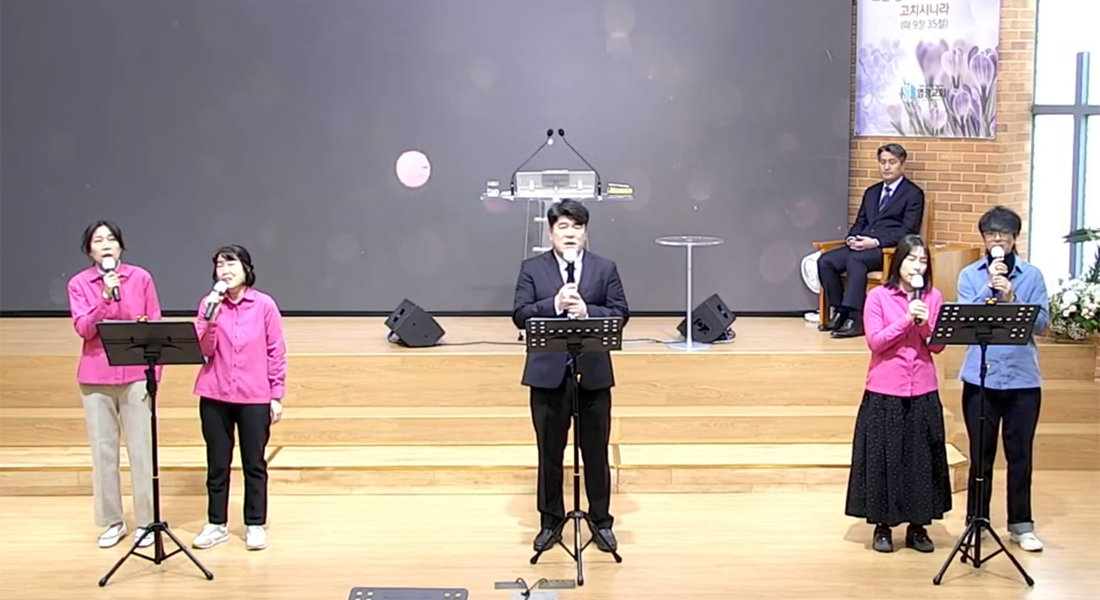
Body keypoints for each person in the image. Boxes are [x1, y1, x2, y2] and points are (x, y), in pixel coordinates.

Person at [512, 199, 629, 554]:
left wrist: (587, 310)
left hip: (592, 374)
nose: (570, 233)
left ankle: (601, 521)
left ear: (585, 232)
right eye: (563, 226)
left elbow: (620, 313)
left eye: (577, 227)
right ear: (550, 232)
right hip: (548, 376)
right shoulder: (532, 269)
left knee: (595, 451)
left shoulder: (604, 268)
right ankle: (550, 522)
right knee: (549, 453)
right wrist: (555, 305)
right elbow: (520, 314)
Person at [845, 234, 951, 553]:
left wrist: (923, 324)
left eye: (923, 260)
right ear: (898, 262)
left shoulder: (933, 297)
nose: (917, 266)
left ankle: (918, 527)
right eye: (911, 259)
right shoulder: (878, 296)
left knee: (920, 460)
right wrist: (906, 320)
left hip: (923, 389)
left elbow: (937, 346)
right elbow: (876, 342)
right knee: (884, 459)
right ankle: (883, 526)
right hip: (885, 389)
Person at [956, 206, 1049, 552]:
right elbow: (965, 317)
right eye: (991, 234)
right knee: (981, 456)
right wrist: (988, 288)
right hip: (980, 378)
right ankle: (976, 521)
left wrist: (1012, 297)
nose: (997, 239)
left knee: (1020, 455)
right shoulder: (970, 275)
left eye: (1003, 234)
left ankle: (1021, 525)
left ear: (1014, 238)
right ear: (984, 239)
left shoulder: (1032, 276)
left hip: (1022, 379)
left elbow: (1042, 324)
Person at [66, 220, 161, 549]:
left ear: (120, 246)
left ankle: (147, 522)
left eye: (111, 239)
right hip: (96, 377)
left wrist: (154, 376)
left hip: (136, 376)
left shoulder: (141, 278)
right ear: (89, 250)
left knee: (142, 452)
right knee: (103, 451)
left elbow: (155, 326)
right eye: (98, 240)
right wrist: (104, 297)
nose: (105, 244)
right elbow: (84, 329)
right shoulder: (79, 283)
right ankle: (112, 521)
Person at [190, 245, 286, 551]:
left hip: (254, 395)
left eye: (231, 264)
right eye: (220, 265)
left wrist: (276, 394)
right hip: (214, 393)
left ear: (246, 268)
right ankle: (216, 524)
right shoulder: (209, 304)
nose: (225, 270)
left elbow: (276, 351)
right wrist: (210, 317)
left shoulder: (264, 305)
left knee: (253, 463)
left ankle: (254, 524)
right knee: (217, 463)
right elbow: (203, 349)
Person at [819, 143, 925, 338]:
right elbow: (860, 221)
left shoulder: (913, 194)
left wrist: (875, 242)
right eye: (883, 162)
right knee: (826, 261)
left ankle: (856, 318)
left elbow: (908, 231)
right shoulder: (872, 192)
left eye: (892, 162)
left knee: (855, 260)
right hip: (862, 245)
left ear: (902, 165)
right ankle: (840, 311)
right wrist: (852, 238)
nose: (886, 167)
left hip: (887, 250)